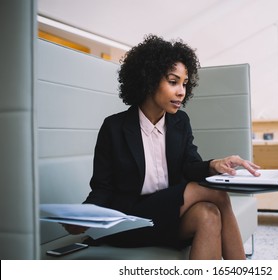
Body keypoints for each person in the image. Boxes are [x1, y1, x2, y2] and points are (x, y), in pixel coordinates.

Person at [64, 34, 259, 260]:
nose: (181, 92)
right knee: (218, 194)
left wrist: (215, 164)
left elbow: (190, 166)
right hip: (131, 220)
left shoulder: (180, 122)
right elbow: (102, 188)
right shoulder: (114, 127)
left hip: (170, 215)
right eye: (173, 81)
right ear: (149, 79)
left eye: (184, 83)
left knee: (209, 215)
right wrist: (83, 217)